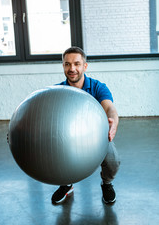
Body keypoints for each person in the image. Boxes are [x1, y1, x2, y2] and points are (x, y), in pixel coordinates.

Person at [51, 46, 120, 204]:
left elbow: (110, 108)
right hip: (66, 138)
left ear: (85, 66)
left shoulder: (98, 87)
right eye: (67, 64)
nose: (72, 68)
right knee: (57, 155)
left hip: (95, 135)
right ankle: (66, 184)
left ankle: (107, 184)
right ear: (63, 66)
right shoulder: (56, 91)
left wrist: (113, 122)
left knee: (113, 161)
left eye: (76, 63)